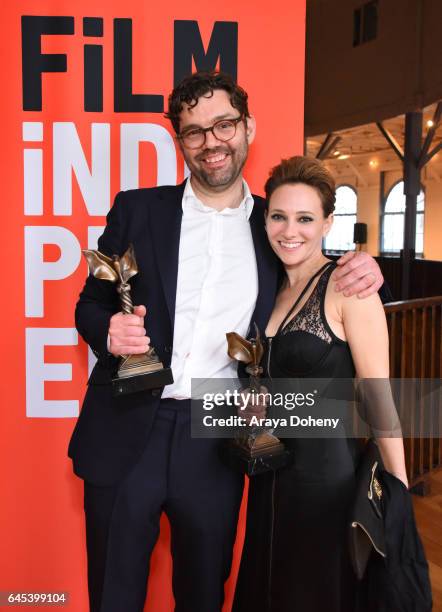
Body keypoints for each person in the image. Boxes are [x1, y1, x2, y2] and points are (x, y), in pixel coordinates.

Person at [68, 72, 384, 612]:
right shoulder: (138, 210)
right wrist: (106, 331)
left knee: (203, 595)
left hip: (215, 440)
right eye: (194, 131)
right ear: (180, 141)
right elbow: (90, 304)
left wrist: (367, 268)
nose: (211, 143)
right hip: (127, 433)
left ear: (247, 128)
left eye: (224, 125)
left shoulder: (275, 224)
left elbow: (319, 270)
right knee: (113, 596)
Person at [233, 156, 408, 612]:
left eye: (306, 219)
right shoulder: (266, 289)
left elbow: (379, 397)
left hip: (326, 485)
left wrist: (399, 493)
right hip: (269, 481)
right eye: (279, 216)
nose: (290, 231)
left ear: (328, 223)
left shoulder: (349, 286)